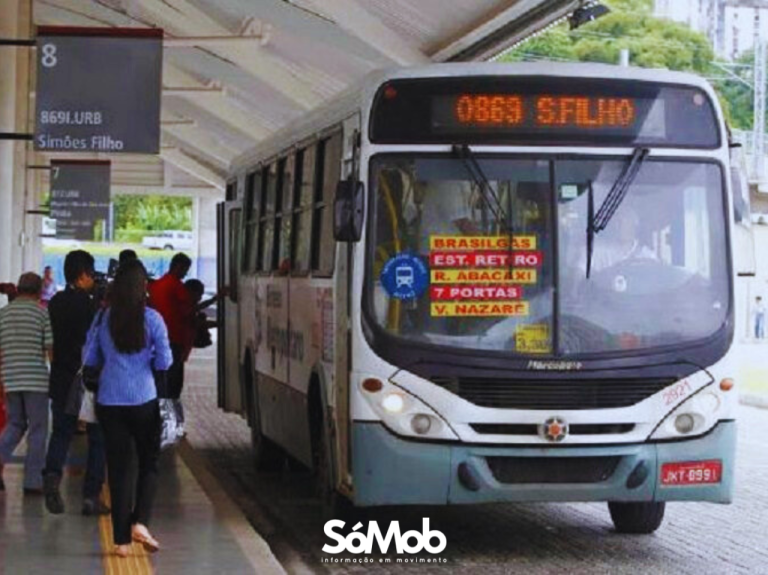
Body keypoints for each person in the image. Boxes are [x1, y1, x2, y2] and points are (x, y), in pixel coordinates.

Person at [84, 260, 172, 558]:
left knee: (119, 469)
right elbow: (164, 362)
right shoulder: (153, 319)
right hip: (144, 401)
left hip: (109, 401)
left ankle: (121, 541)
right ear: (142, 287)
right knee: (149, 462)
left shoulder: (102, 318)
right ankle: (141, 522)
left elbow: (90, 356)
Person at [42, 250, 109, 516]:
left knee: (61, 432)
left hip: (61, 378)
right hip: (89, 382)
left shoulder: (55, 302)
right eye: (91, 275)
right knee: (97, 437)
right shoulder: (93, 307)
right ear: (82, 275)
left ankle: (52, 476)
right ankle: (91, 497)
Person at [0, 273, 53, 494]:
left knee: (15, 424)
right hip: (36, 381)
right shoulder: (42, 313)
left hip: (11, 378)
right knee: (38, 429)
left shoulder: (3, 314)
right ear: (39, 291)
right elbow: (49, 349)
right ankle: (32, 482)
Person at [148, 253, 194, 401]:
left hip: (155, 340)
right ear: (178, 267)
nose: (185, 274)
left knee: (161, 381)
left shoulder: (156, 285)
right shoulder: (177, 286)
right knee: (173, 385)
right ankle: (169, 417)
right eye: (185, 269)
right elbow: (188, 312)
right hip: (174, 339)